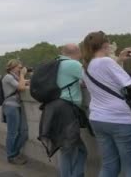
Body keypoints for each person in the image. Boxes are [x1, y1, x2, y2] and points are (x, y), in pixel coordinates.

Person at [81, 31, 131, 176]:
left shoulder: (86, 66)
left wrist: (120, 60)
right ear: (105, 44)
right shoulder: (106, 61)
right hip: (119, 120)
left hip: (98, 119)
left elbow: (107, 77)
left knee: (109, 165)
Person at [56, 44, 87, 176]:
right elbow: (93, 79)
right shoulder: (73, 64)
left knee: (70, 148)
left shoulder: (56, 64)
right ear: (77, 52)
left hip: (55, 108)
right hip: (68, 109)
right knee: (71, 149)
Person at [2, 59, 29, 165]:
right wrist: (23, 75)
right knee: (12, 133)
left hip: (17, 106)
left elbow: (24, 83)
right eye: (19, 67)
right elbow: (21, 87)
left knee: (24, 131)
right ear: (13, 68)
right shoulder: (8, 77)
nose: (21, 69)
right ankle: (11, 156)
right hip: (10, 107)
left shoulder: (15, 77)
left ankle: (15, 152)